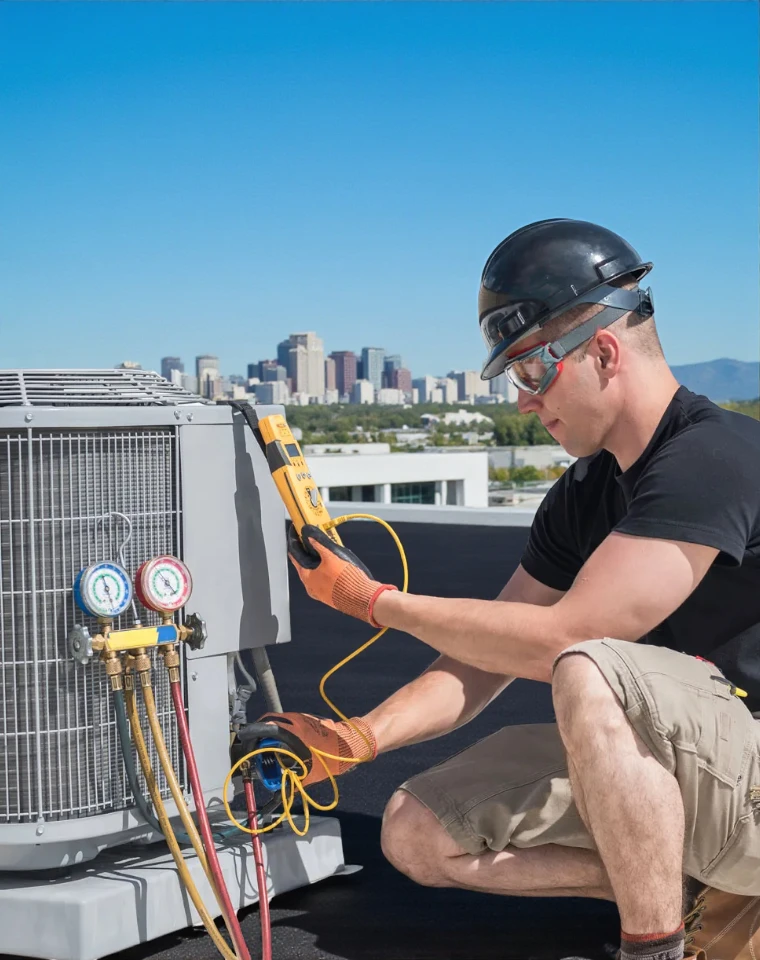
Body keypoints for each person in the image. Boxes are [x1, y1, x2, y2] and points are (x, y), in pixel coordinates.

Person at [262, 219, 760, 960]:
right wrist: (362, 738)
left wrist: (374, 602)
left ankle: (654, 949)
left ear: (603, 350)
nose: (523, 402)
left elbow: (567, 636)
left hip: (749, 778)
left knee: (589, 669)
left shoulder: (712, 457)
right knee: (415, 830)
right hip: (690, 776)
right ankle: (691, 894)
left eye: (530, 372)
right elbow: (486, 652)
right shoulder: (583, 492)